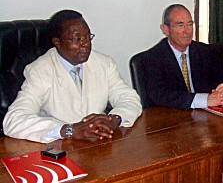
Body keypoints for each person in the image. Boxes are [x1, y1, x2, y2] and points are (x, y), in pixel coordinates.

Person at [3, 10, 142, 143]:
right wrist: (69, 130)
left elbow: (129, 98)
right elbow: (14, 120)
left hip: (100, 144)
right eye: (77, 39)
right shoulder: (39, 71)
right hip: (61, 148)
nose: (86, 44)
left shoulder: (104, 63)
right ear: (57, 42)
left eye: (88, 36)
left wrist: (114, 119)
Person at [143, 4, 223, 109]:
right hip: (173, 119)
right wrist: (205, 100)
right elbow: (159, 95)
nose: (187, 31)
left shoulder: (205, 52)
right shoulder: (152, 58)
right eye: (180, 25)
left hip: (207, 117)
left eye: (190, 24)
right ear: (166, 29)